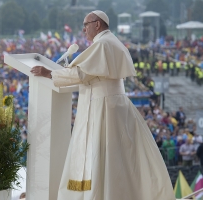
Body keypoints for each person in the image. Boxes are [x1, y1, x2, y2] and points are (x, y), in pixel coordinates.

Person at [30, 10, 175, 200]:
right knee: (116, 158)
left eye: (86, 24)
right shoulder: (110, 41)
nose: (83, 30)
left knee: (102, 156)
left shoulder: (103, 44)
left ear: (97, 24)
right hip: (113, 106)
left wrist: (49, 73)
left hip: (103, 108)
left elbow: (82, 74)